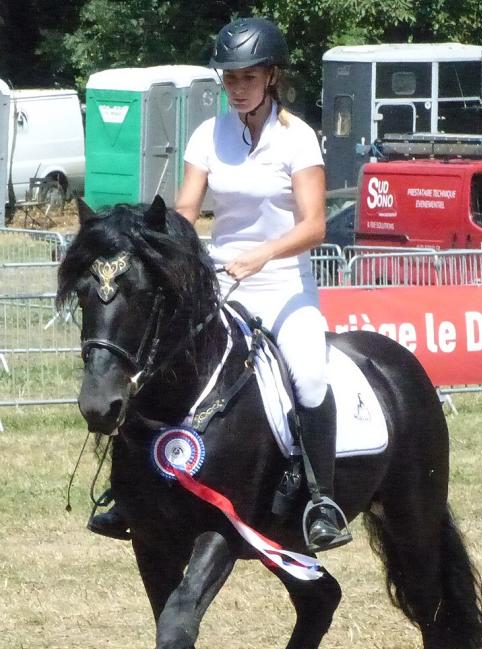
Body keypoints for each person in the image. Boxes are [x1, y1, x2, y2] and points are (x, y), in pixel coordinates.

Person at [89, 17, 352, 553]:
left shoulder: (298, 139)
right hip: (220, 280)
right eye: (228, 77)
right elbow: (187, 209)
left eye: (246, 76)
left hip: (283, 283)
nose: (235, 86)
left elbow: (314, 225)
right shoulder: (208, 135)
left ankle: (321, 500)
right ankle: (128, 490)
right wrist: (171, 244)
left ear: (271, 77)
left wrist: (261, 255)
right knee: (157, 361)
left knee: (307, 377)